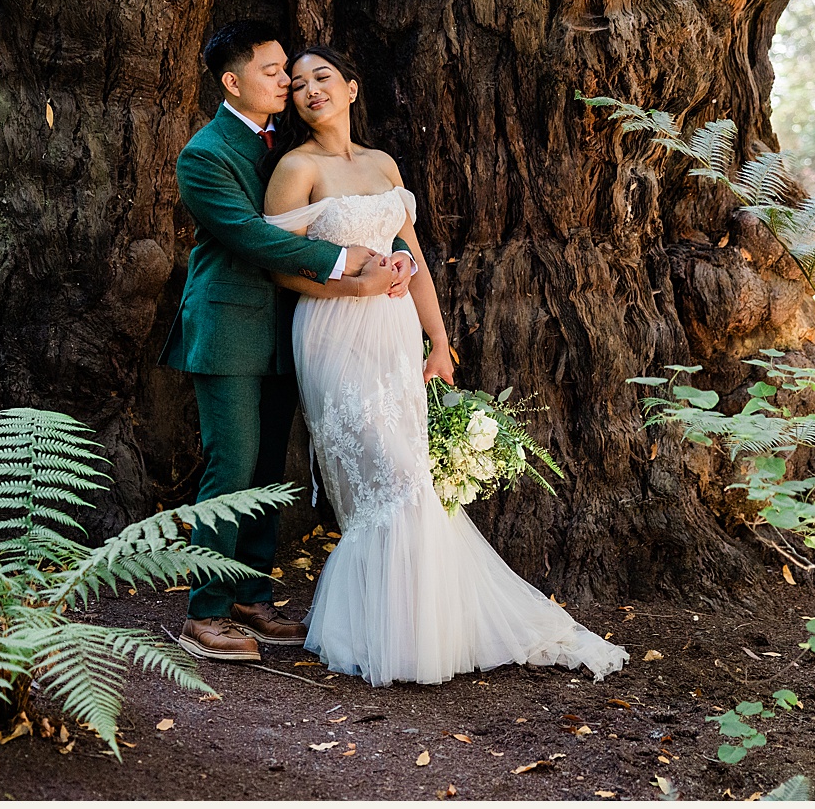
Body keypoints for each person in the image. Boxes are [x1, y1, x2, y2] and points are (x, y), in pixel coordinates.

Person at [263, 46, 627, 686]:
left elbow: (414, 255)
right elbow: (278, 267)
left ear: (351, 87)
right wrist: (356, 289)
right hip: (332, 329)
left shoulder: (381, 165)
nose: (309, 89)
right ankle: (387, 633)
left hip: (396, 330)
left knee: (411, 475)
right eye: (296, 85)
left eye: (322, 77)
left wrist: (437, 339)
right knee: (389, 476)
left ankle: (424, 627)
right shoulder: (297, 167)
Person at [162, 22, 411, 664]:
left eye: (287, 71)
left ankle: (250, 592)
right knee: (233, 464)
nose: (284, 80)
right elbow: (251, 236)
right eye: (273, 70)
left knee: (270, 468)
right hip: (227, 328)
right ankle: (205, 613)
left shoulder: (281, 146)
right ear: (231, 82)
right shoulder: (206, 154)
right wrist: (344, 259)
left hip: (288, 326)